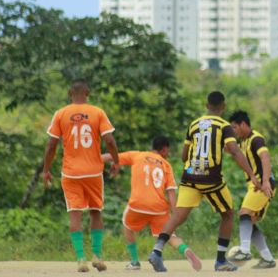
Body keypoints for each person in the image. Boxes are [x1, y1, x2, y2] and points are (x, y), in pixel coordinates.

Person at [148, 91, 265, 272]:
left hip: (190, 177)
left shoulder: (194, 124)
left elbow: (184, 155)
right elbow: (234, 151)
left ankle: (157, 250)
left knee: (178, 215)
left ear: (206, 105)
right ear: (223, 107)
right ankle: (220, 261)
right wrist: (253, 176)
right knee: (227, 214)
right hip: (211, 179)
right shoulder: (224, 126)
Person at [43, 79, 120, 273]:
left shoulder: (60, 114)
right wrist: (116, 161)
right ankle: (97, 256)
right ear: (87, 93)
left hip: (70, 173)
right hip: (93, 172)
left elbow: (51, 145)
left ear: (70, 93)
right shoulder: (97, 112)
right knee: (96, 212)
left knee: (75, 214)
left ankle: (80, 259)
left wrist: (46, 170)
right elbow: (109, 140)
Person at [101, 136, 202, 271]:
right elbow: (171, 193)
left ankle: (135, 261)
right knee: (170, 235)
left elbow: (111, 156)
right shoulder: (166, 165)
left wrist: (91, 159)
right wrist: (176, 216)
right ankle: (186, 250)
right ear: (164, 149)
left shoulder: (137, 155)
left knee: (127, 226)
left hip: (138, 204)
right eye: (168, 151)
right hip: (159, 208)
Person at [226, 110, 276, 269]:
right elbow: (230, 150)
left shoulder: (256, 139)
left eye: (234, 127)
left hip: (262, 186)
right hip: (255, 186)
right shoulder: (242, 141)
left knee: (244, 213)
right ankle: (267, 258)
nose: (233, 131)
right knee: (251, 222)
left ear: (243, 124)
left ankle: (245, 250)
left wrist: (266, 181)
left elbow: (265, 157)